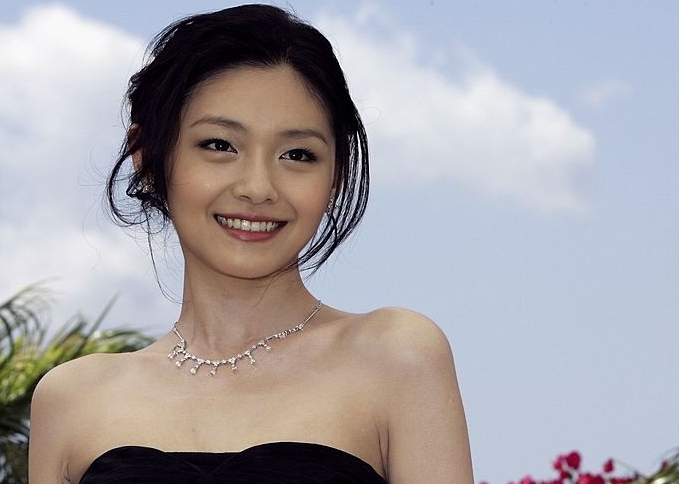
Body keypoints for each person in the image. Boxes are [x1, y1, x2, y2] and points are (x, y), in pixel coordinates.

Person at [28, 4, 473, 484]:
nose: (258, 188)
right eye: (220, 145)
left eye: (297, 154)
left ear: (336, 176)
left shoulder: (396, 356)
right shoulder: (70, 400)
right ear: (148, 157)